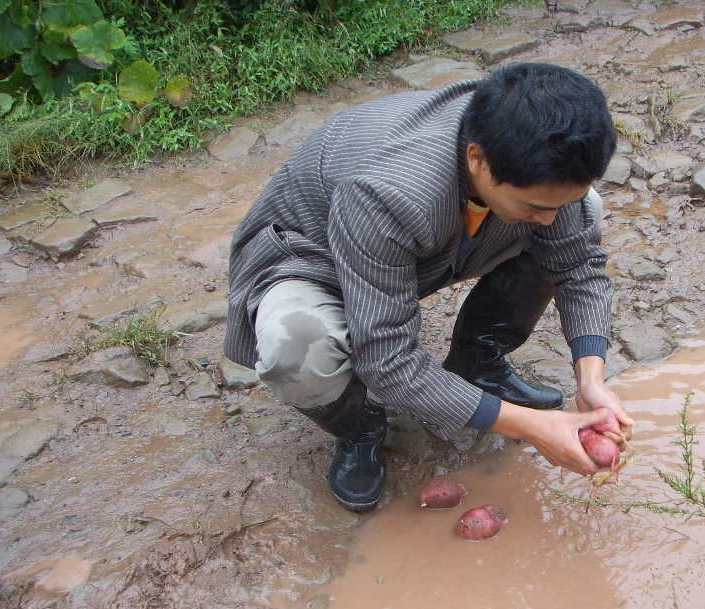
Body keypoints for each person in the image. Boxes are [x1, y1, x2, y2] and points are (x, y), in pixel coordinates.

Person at [224, 62, 633, 512]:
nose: (551, 219)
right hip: (313, 260)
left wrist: (591, 380)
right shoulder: (391, 190)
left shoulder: (532, 151)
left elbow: (577, 265)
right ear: (477, 159)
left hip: (418, 245)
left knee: (586, 211)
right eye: (537, 205)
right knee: (295, 348)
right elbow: (387, 359)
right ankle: (359, 427)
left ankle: (477, 362)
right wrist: (532, 427)